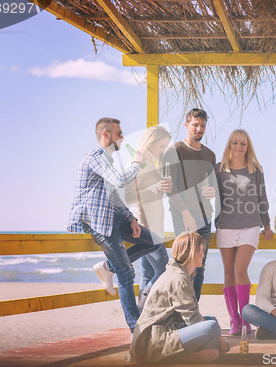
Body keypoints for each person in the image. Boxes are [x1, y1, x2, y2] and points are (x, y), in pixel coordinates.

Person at [68, 117, 161, 334]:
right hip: (99, 223)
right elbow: (120, 181)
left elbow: (114, 197)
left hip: (114, 218)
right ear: (106, 135)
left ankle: (108, 267)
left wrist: (131, 218)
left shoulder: (107, 161)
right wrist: (137, 163)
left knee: (153, 241)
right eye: (119, 133)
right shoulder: (95, 157)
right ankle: (136, 329)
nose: (122, 137)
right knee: (126, 274)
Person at [129, 232, 228, 364]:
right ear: (192, 252)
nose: (204, 255)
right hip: (154, 341)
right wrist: (221, 340)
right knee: (211, 327)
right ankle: (175, 358)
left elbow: (190, 313)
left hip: (167, 328)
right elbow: (193, 320)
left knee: (211, 321)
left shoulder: (180, 272)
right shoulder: (179, 278)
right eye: (201, 251)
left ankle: (194, 353)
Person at [215, 129, 273, 335]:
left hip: (250, 226)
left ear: (248, 147)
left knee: (240, 271)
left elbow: (262, 198)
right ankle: (234, 321)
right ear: (229, 146)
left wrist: (266, 224)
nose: (238, 147)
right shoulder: (218, 169)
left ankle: (246, 319)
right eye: (235, 143)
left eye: (243, 143)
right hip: (225, 226)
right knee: (228, 273)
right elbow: (212, 198)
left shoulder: (255, 169)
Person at [163, 108, 217, 301]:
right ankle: (179, 315)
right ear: (186, 125)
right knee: (184, 268)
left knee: (199, 269)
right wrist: (185, 212)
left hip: (205, 217)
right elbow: (171, 187)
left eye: (202, 126)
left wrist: (212, 191)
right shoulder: (174, 151)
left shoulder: (210, 155)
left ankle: (193, 314)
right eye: (195, 125)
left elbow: (212, 186)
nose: (199, 129)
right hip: (183, 216)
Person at [124, 125, 173, 312]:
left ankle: (141, 321)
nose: (163, 152)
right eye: (161, 147)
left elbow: (150, 195)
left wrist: (162, 190)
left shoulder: (152, 163)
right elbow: (129, 196)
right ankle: (142, 318)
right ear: (151, 142)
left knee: (148, 274)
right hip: (146, 227)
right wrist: (157, 188)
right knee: (164, 271)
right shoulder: (137, 162)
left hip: (155, 224)